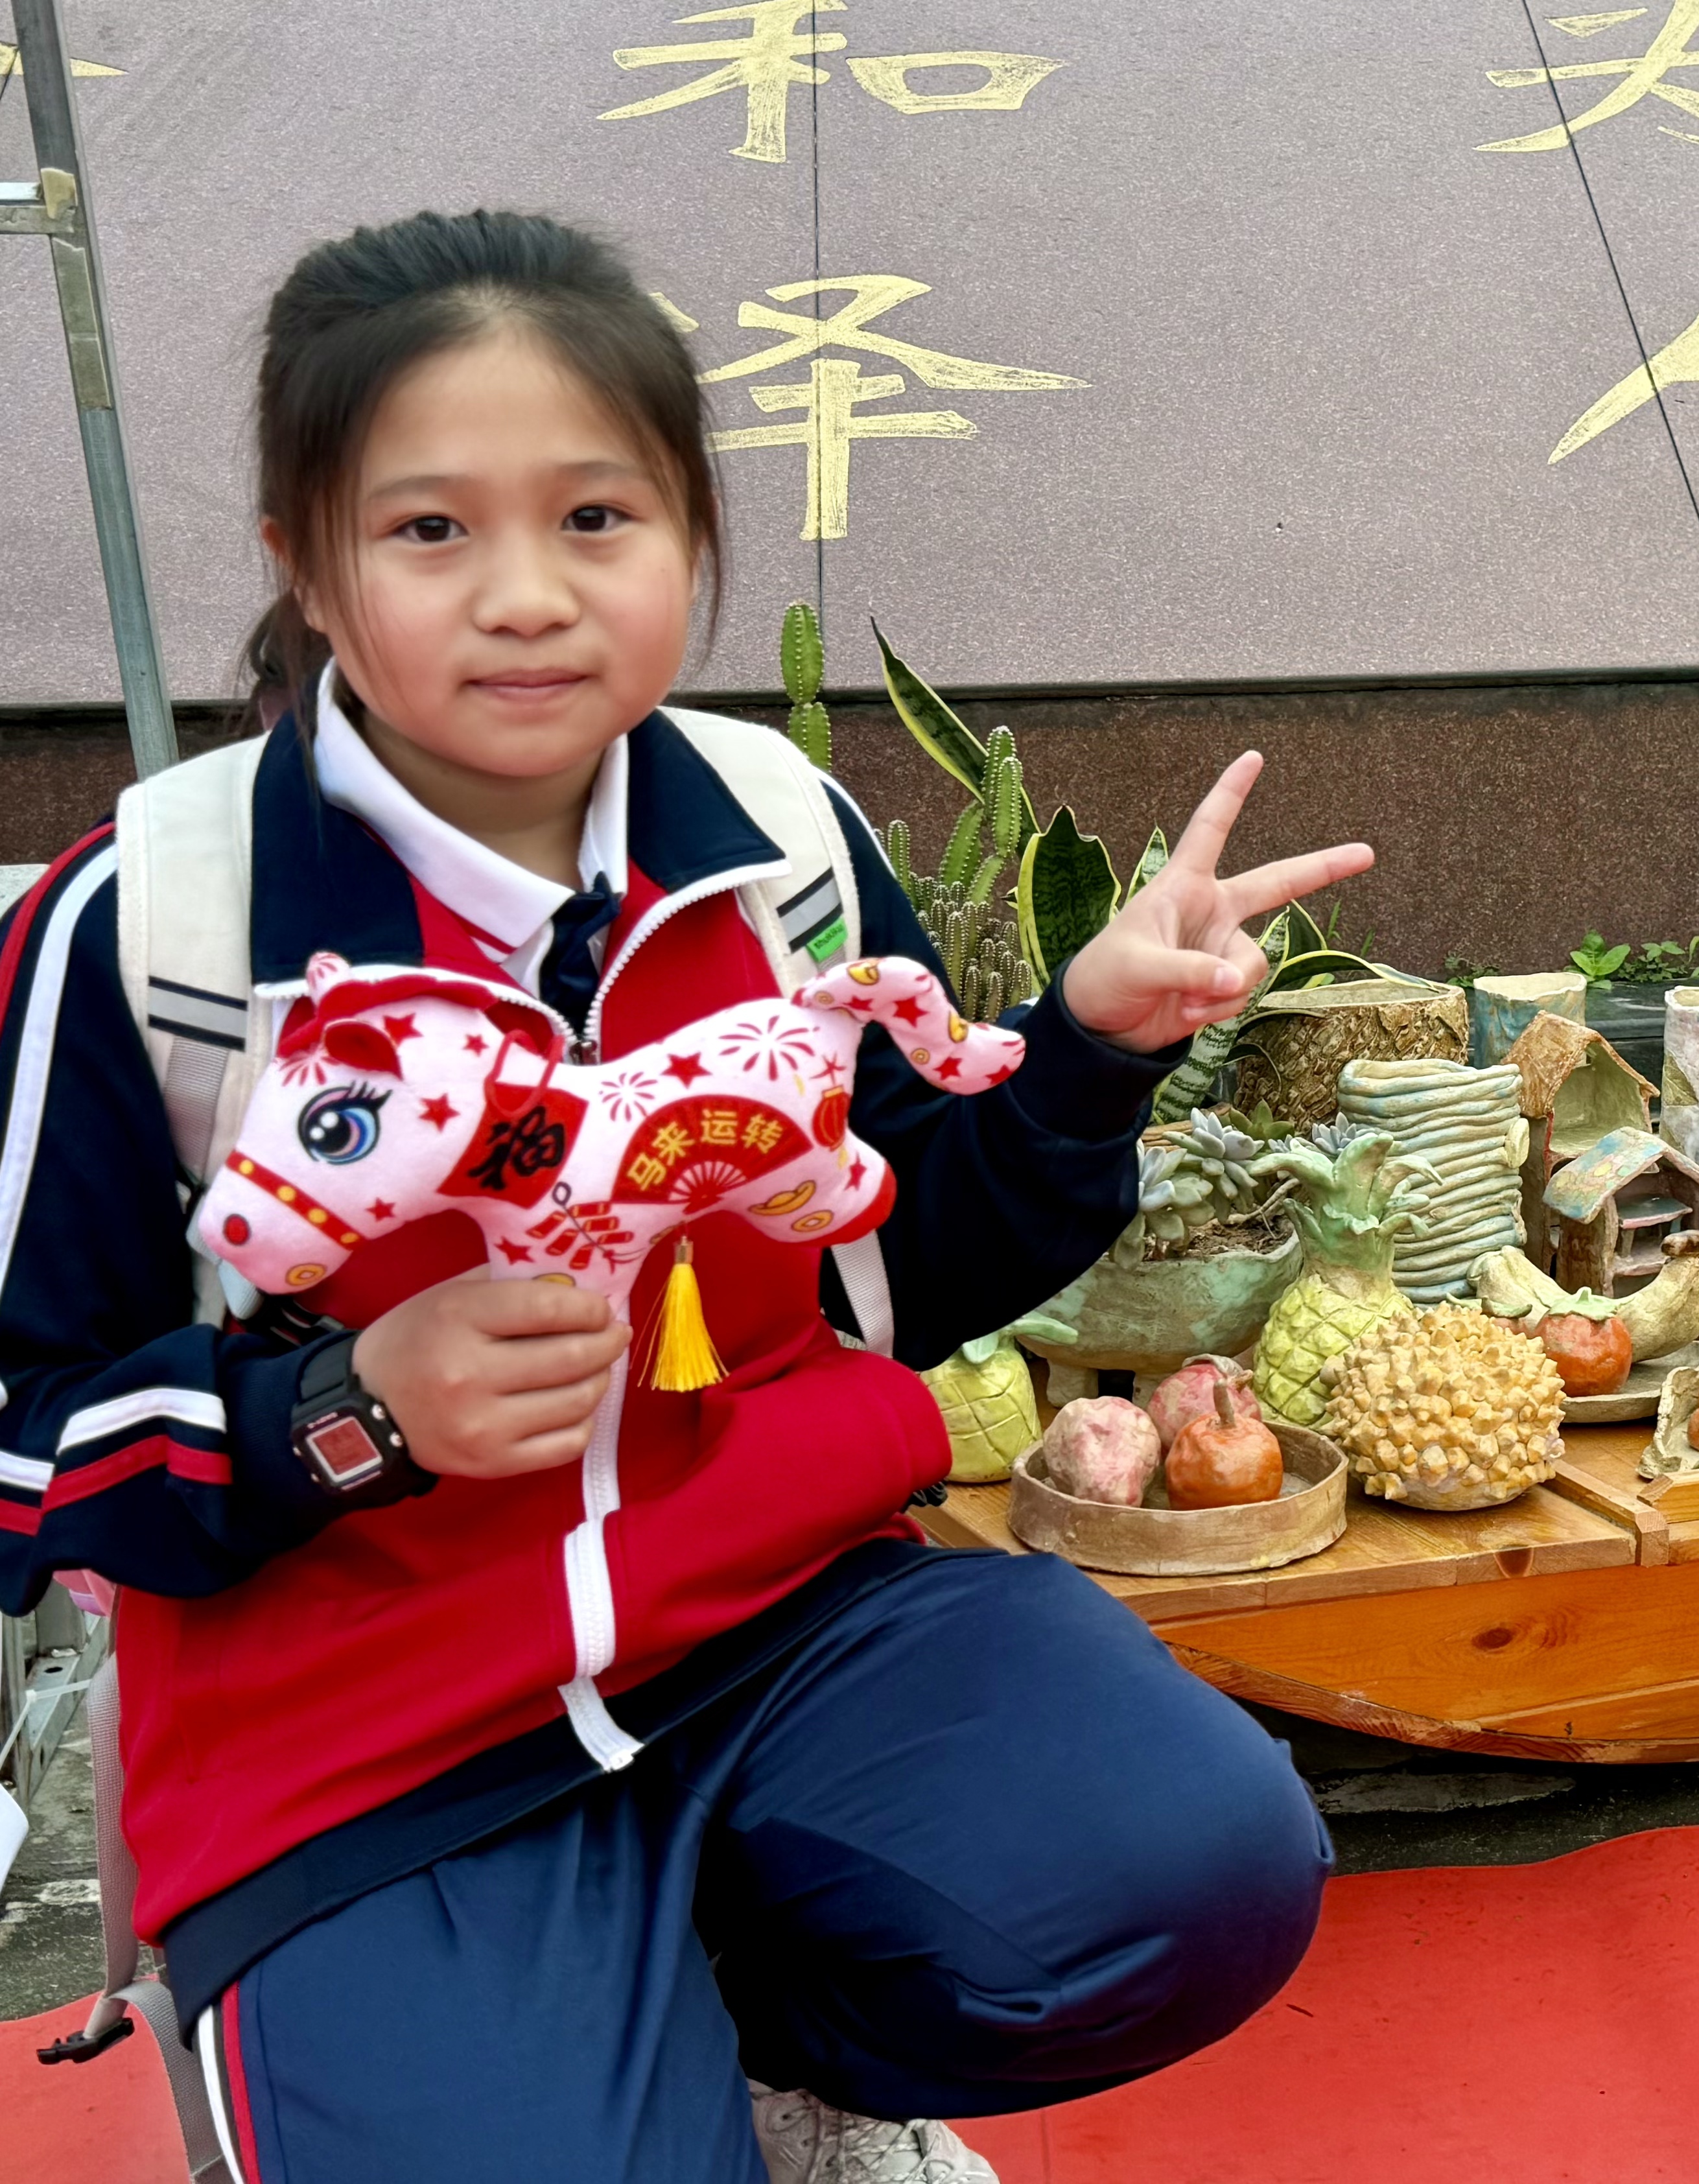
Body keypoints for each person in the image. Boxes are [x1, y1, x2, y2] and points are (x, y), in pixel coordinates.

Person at [0, 208, 1363, 2183]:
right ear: (306, 560)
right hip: (357, 1748)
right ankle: (500, 2063)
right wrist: (345, 1410)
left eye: (597, 517)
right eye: (430, 530)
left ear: (691, 536)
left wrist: (1082, 1049)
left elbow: (894, 1271)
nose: (526, 597)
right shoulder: (156, 929)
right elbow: (23, 1432)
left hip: (778, 1625)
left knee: (1195, 1866)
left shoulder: (783, 849)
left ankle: (725, 2055)